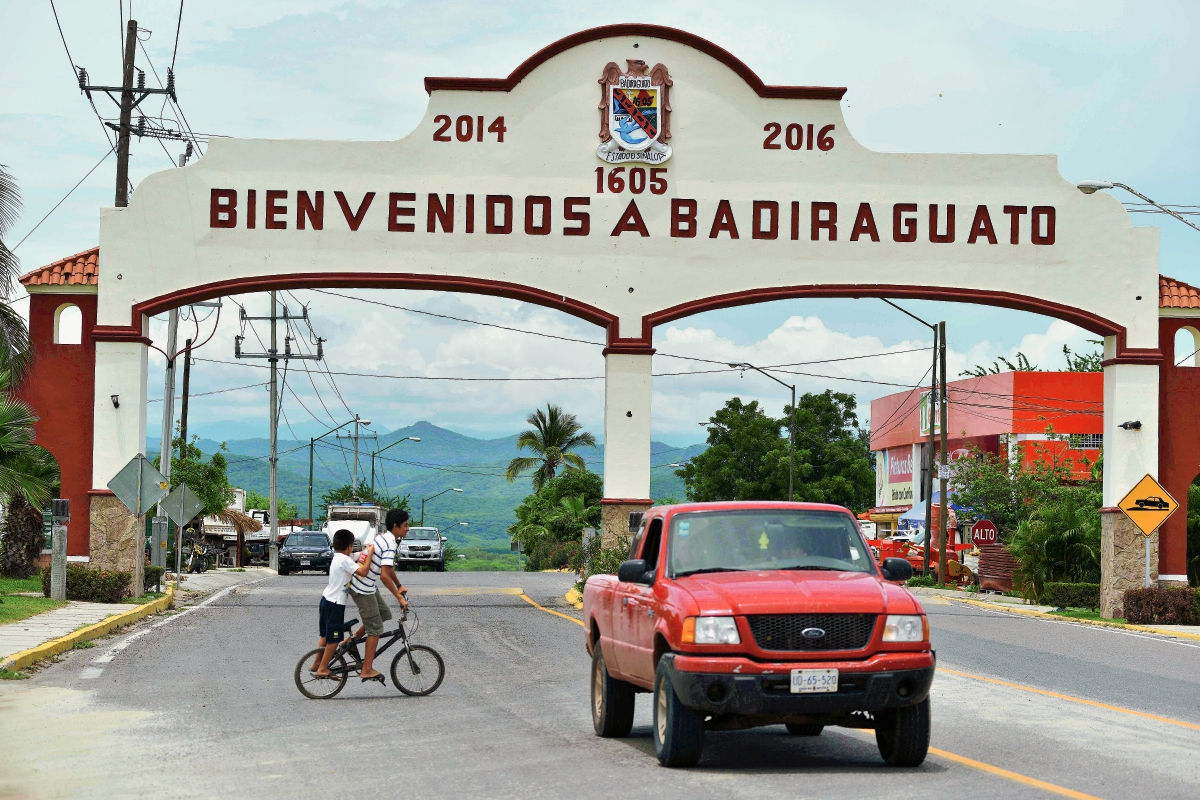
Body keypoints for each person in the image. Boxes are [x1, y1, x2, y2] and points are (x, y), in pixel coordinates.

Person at [347, 508, 411, 683]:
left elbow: (388, 568)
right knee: (375, 629)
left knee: (384, 614)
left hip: (367, 585)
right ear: (396, 526)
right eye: (405, 525)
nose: (408, 528)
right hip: (363, 588)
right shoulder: (390, 544)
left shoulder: (383, 537)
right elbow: (384, 575)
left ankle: (349, 643)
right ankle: (366, 669)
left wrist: (399, 586)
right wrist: (399, 598)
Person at [312, 529, 372, 677]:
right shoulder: (345, 560)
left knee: (325, 636)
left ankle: (316, 663)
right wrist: (369, 555)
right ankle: (323, 669)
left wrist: (365, 551)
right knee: (335, 639)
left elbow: (356, 556)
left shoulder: (338, 557)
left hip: (326, 600)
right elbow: (363, 572)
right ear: (350, 546)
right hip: (335, 604)